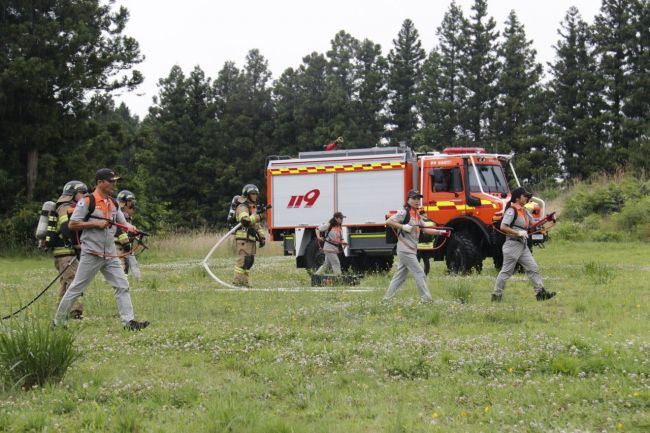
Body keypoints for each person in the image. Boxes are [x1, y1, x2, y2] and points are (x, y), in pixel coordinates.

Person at [52, 168, 149, 330]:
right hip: (91, 254)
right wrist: (95, 224)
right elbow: (73, 224)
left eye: (115, 181)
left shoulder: (113, 203)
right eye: (111, 181)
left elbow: (123, 224)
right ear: (100, 182)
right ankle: (58, 323)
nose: (114, 184)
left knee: (122, 285)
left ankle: (129, 322)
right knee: (76, 288)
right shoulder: (87, 201)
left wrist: (132, 229)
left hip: (110, 255)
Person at [491, 187, 556, 302]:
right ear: (517, 198)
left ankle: (540, 293)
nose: (527, 198)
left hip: (522, 245)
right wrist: (518, 232)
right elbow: (503, 226)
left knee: (533, 268)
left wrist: (547, 219)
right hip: (512, 245)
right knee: (506, 272)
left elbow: (534, 223)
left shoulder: (524, 211)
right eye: (525, 196)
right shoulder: (511, 210)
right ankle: (496, 296)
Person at [383, 190, 450, 303]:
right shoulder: (404, 213)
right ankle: (426, 298)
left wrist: (441, 232)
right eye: (414, 198)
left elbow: (425, 229)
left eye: (418, 198)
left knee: (399, 277)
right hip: (405, 250)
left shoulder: (418, 215)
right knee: (419, 272)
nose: (417, 201)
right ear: (408, 200)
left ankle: (386, 299)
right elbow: (389, 221)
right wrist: (403, 227)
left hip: (411, 250)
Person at [51, 180, 88, 319]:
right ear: (73, 193)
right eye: (82, 193)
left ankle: (61, 311)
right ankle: (75, 313)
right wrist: (76, 244)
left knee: (65, 283)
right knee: (75, 282)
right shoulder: (64, 207)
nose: (85, 196)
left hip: (65, 252)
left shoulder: (68, 206)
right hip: (65, 251)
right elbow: (65, 228)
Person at [233, 184, 267, 287]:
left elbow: (256, 225)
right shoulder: (242, 206)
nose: (255, 196)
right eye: (253, 194)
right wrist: (259, 216)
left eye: (256, 194)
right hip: (243, 238)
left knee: (249, 261)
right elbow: (245, 221)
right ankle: (237, 282)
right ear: (247, 195)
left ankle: (245, 282)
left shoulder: (252, 207)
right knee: (243, 261)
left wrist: (262, 237)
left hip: (250, 239)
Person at [115, 190, 140, 280]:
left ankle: (138, 280)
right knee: (120, 266)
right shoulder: (117, 215)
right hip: (117, 245)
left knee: (133, 263)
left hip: (126, 244)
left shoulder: (127, 216)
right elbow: (118, 230)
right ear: (123, 203)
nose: (132, 205)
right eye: (130, 202)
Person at [314, 212, 348, 276]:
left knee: (326, 264)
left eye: (342, 218)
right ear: (336, 218)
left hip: (335, 248)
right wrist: (318, 237)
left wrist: (343, 242)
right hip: (329, 248)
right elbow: (317, 229)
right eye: (340, 218)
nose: (342, 220)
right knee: (336, 263)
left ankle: (316, 275)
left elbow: (341, 238)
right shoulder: (328, 225)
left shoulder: (339, 227)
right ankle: (338, 278)